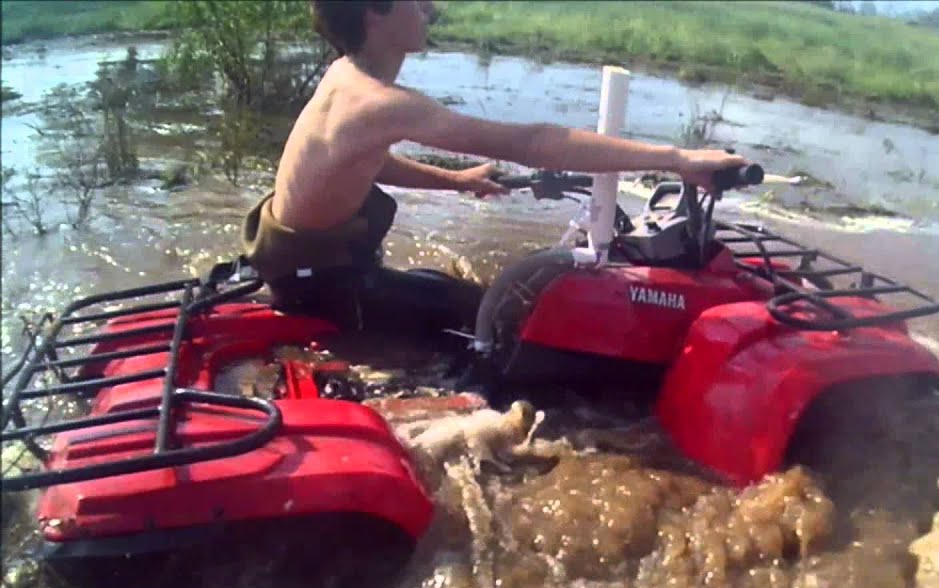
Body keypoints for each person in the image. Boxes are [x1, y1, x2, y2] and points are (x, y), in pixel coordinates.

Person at [242, 0, 749, 340]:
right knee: (493, 325)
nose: (430, 8)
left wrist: (456, 181)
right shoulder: (380, 103)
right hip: (321, 284)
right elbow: (530, 143)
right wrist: (678, 159)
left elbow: (363, 164)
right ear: (376, 12)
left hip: (300, 266)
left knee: (442, 290)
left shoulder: (346, 77)